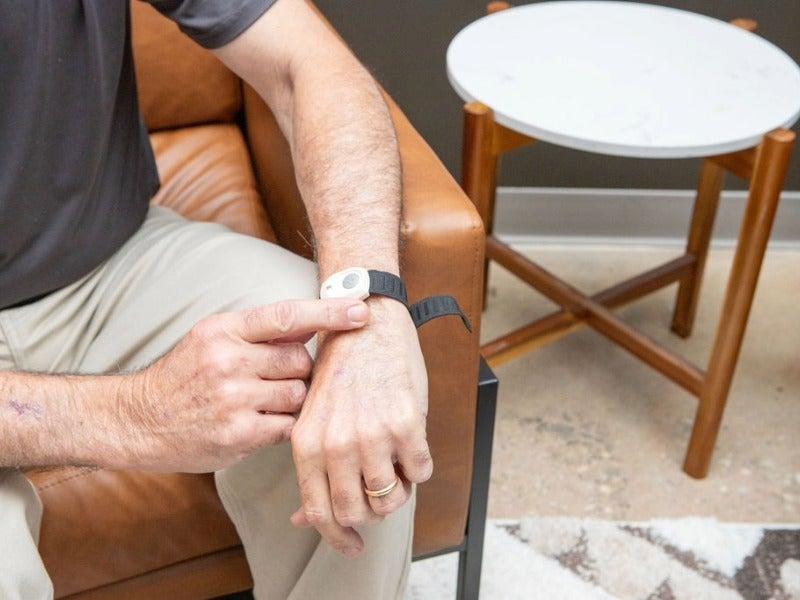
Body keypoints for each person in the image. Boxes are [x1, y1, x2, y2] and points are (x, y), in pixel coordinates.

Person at [0, 1, 430, 598]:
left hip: (113, 263)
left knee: (346, 354)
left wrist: (371, 300)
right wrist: (136, 413)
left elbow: (304, 62)